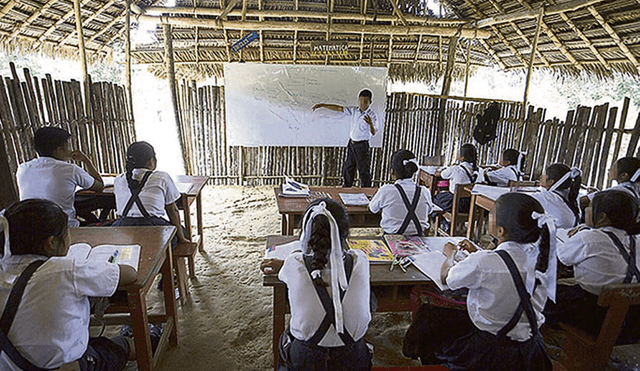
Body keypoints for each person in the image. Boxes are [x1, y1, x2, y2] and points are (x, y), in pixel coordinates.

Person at [408, 193, 555, 370]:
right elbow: (504, 267)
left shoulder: (484, 261)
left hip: (490, 350)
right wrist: (476, 252)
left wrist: (450, 255)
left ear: (500, 231)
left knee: (429, 317)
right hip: (530, 349)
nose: (489, 217)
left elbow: (447, 278)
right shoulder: (543, 257)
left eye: (491, 214)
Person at [0, 199, 138, 370]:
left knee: (94, 343)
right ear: (51, 243)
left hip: (13, 364)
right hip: (66, 367)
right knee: (120, 346)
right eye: (67, 232)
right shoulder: (64, 270)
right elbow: (130, 274)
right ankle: (149, 340)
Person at [261, 199, 372, 371]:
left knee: (287, 336)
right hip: (352, 357)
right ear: (344, 233)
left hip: (307, 358)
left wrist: (284, 264)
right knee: (371, 300)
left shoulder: (294, 263)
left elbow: (297, 270)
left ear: (307, 233)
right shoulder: (360, 261)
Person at [545, 190, 640, 343]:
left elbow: (561, 256)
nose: (586, 210)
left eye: (589, 207)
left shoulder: (589, 239)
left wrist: (582, 234)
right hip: (633, 322)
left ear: (602, 217)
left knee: (539, 294)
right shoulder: (636, 240)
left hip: (595, 317)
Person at [16, 126, 103, 227]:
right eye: (69, 146)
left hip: (33, 228)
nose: (71, 150)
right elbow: (99, 186)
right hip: (63, 228)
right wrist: (86, 160)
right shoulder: (70, 170)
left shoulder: (23, 168)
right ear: (59, 150)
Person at [112, 141, 189, 246]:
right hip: (153, 227)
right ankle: (170, 261)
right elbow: (173, 210)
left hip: (124, 228)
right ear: (151, 161)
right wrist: (182, 238)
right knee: (181, 231)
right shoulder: (162, 177)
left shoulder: (118, 180)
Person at [312, 89, 378, 188]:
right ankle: (346, 188)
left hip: (362, 146)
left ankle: (366, 190)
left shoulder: (372, 115)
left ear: (370, 102)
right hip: (352, 144)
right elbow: (339, 108)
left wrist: (371, 124)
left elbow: (373, 132)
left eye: (365, 101)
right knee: (349, 167)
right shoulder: (354, 111)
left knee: (363, 169)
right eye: (360, 100)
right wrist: (322, 105)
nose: (362, 103)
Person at [369, 149, 433, 236]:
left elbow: (372, 209)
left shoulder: (386, 190)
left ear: (392, 172)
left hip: (391, 241)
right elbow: (429, 211)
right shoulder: (424, 192)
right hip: (419, 241)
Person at [531, 164, 581, 229]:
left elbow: (521, 200)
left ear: (551, 182)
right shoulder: (572, 198)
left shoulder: (547, 197)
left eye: (544, 174)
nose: (541, 176)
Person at [433, 143, 479, 213]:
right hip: (469, 205)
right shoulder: (478, 170)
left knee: (436, 199)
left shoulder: (455, 169)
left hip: (455, 204)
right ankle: (446, 222)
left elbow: (441, 174)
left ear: (462, 158)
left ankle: (444, 222)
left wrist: (439, 171)